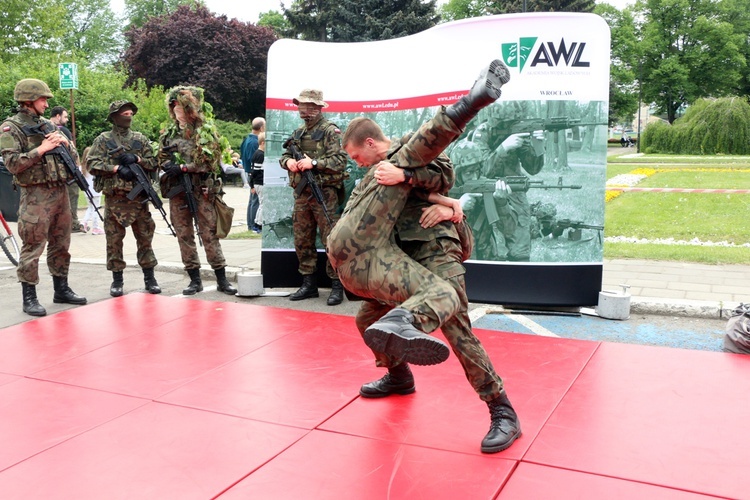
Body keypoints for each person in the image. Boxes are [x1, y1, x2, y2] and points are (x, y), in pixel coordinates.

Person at [327, 60, 521, 453]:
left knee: (457, 329)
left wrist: (410, 178)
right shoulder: (374, 172)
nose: (355, 164)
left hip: (434, 248)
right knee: (368, 317)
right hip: (399, 255)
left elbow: (444, 176)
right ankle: (399, 377)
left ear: (368, 143)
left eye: (355, 156)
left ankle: (503, 411)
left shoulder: (409, 151)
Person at [0, 78, 87, 317]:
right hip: (35, 195)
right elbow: (12, 164)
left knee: (62, 244)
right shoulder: (11, 128)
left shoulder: (48, 125)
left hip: (59, 192)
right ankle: (30, 297)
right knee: (33, 246)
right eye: (42, 100)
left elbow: (71, 155)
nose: (47, 105)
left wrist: (64, 143)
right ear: (28, 100)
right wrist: (41, 149)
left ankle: (62, 289)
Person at [157, 85, 237, 296]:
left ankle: (221, 278)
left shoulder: (205, 131)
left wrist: (183, 167)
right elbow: (161, 156)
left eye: (180, 106)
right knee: (184, 234)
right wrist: (166, 165)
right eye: (173, 106)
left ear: (189, 108)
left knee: (209, 234)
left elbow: (210, 162)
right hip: (178, 190)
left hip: (201, 189)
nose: (176, 110)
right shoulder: (169, 133)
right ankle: (194, 279)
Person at [280, 89, 348, 306]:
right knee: (302, 238)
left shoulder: (330, 131)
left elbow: (340, 160)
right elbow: (285, 155)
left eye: (309, 106)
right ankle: (309, 284)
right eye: (301, 105)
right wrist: (288, 163)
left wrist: (315, 164)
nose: (304, 109)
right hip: (302, 194)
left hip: (325, 194)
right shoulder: (298, 132)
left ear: (319, 108)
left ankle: (337, 285)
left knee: (331, 239)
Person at [87, 100, 161, 296]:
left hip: (139, 200)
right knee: (114, 241)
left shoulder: (140, 139)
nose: (128, 116)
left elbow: (154, 163)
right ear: (114, 116)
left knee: (145, 238)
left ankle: (150, 278)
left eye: (131, 113)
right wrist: (116, 168)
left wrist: (137, 160)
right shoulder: (103, 140)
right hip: (115, 199)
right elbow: (91, 163)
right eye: (124, 113)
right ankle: (117, 280)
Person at [50, 105, 86, 234]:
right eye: (65, 117)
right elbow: (73, 151)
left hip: (51, 172)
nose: (66, 120)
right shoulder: (63, 131)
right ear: (58, 116)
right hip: (68, 170)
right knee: (72, 195)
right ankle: (73, 222)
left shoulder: (44, 128)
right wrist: (78, 168)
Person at [241, 117, 265, 230]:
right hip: (253, 174)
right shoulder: (254, 142)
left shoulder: (246, 140)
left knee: (252, 200)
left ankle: (251, 224)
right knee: (256, 200)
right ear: (261, 128)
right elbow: (253, 160)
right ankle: (253, 225)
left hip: (248, 171)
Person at [79, 147, 103, 235]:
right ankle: (96, 227)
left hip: (87, 191)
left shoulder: (82, 167)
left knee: (90, 207)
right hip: (96, 190)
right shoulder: (95, 166)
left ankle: (84, 222)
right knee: (96, 209)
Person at [249, 132, 265, 234]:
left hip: (257, 183)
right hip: (260, 182)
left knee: (261, 203)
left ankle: (256, 223)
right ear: (263, 143)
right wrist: (252, 185)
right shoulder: (260, 155)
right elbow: (255, 171)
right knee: (263, 204)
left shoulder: (256, 153)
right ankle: (258, 225)